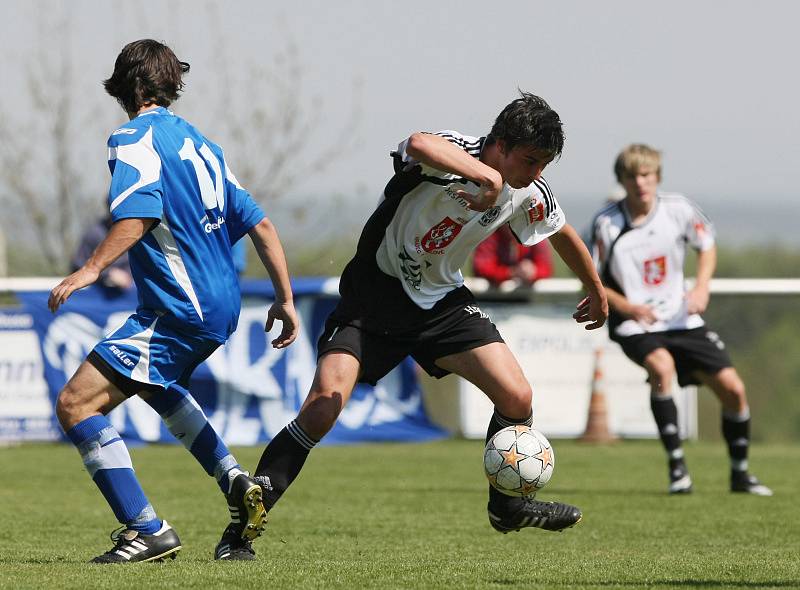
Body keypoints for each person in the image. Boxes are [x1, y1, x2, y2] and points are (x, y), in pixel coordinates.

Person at [250, 91, 608, 536]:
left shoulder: (526, 189)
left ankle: (508, 508)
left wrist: (594, 286)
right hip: (374, 297)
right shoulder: (454, 154)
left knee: (517, 397)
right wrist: (485, 177)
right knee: (323, 407)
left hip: (441, 302)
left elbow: (560, 231)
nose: (535, 174)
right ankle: (244, 524)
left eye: (543, 166)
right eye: (530, 160)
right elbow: (417, 143)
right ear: (501, 143)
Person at [48, 39, 299, 563]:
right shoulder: (203, 145)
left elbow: (136, 216)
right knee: (156, 385)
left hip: (180, 307)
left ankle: (146, 529)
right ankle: (234, 481)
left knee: (75, 404)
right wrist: (285, 299)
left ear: (130, 85)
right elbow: (263, 225)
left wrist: (91, 268)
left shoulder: (133, 138)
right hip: (220, 305)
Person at [590, 143, 772, 496]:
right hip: (636, 323)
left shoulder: (679, 210)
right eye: (632, 176)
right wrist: (627, 307)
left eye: (647, 175)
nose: (640, 182)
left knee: (734, 390)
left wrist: (702, 287)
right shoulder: (607, 223)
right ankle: (677, 469)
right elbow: (591, 280)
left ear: (657, 178)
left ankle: (741, 474)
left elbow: (706, 245)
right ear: (622, 181)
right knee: (661, 368)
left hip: (681, 320)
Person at [473, 224, 553, 287]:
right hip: (489, 300)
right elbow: (481, 268)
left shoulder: (534, 234)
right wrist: (512, 272)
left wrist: (533, 271)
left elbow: (546, 268)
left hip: (524, 300)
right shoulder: (489, 234)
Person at [71, 212, 134, 292]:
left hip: (129, 294)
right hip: (95, 294)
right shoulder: (94, 234)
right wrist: (108, 273)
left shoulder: (135, 231)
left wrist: (127, 275)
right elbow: (78, 265)